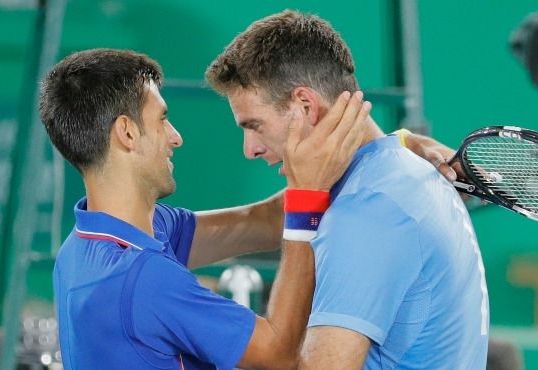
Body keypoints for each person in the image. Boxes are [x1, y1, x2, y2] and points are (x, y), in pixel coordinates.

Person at [40, 47, 374, 369]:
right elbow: (277, 353)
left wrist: (374, 150)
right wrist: (306, 195)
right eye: (162, 119)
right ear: (126, 132)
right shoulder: (142, 279)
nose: (175, 137)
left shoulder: (91, 245)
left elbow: (265, 220)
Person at [205, 9, 489, 369]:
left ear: (305, 106)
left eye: (254, 125)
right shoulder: (401, 172)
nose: (250, 149)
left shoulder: (366, 211)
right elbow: (261, 219)